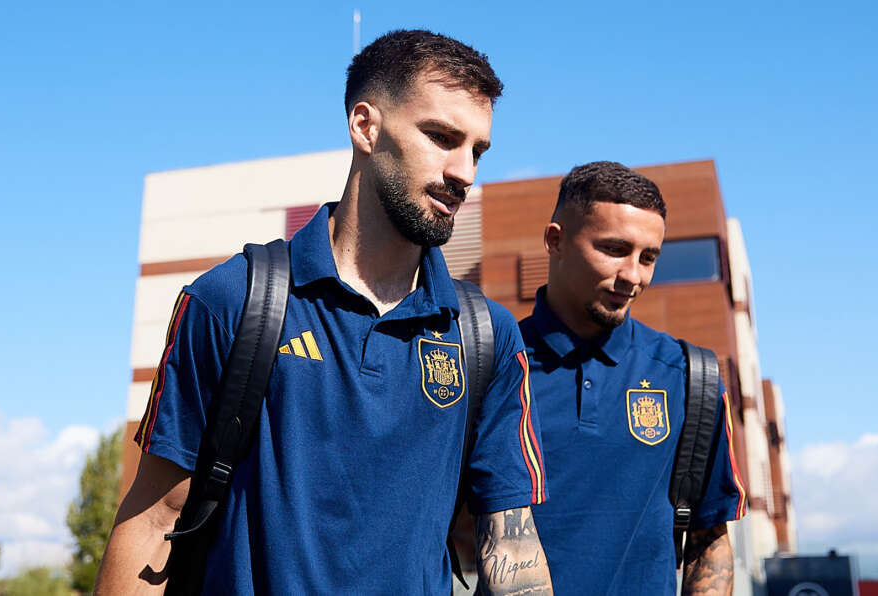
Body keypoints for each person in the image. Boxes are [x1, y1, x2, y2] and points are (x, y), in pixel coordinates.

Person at [96, 30, 552, 595]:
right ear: (365, 126)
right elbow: (155, 521)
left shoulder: (487, 335)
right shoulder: (234, 299)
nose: (465, 172)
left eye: (477, 151)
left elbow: (512, 545)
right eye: (441, 137)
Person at [519, 162, 745, 595]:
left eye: (648, 257)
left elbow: (709, 538)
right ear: (555, 241)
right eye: (614, 249)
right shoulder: (495, 367)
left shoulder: (689, 378)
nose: (633, 276)